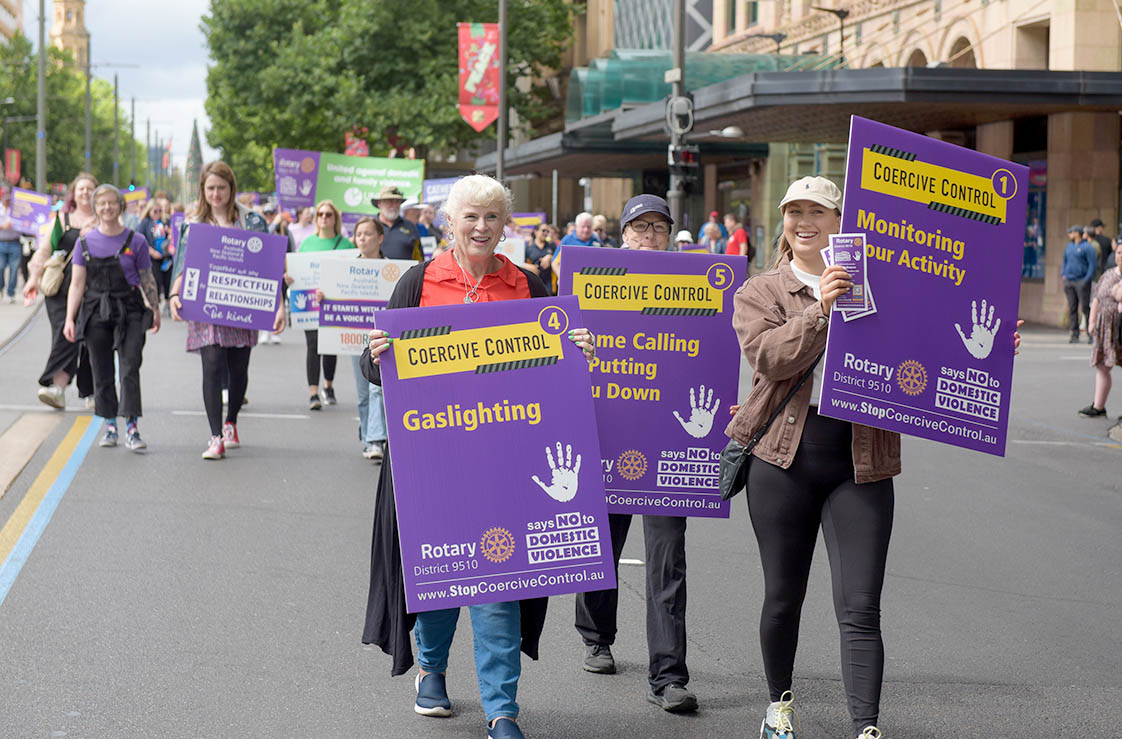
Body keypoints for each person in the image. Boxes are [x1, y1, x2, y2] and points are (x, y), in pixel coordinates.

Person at [728, 175, 1023, 739]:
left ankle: (867, 727)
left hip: (862, 463)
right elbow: (767, 359)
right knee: (782, 597)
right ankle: (778, 707)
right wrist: (821, 309)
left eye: (819, 211)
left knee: (861, 605)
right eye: (795, 212)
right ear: (784, 223)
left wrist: (990, 355)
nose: (805, 221)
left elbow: (937, 338)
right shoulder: (761, 291)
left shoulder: (885, 285)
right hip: (781, 461)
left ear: (843, 220)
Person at [360, 174, 595, 739]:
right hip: (432, 463)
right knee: (440, 576)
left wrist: (578, 355)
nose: (482, 227)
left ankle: (502, 709)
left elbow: (557, 379)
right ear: (450, 222)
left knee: (499, 582)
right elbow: (376, 371)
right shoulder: (419, 282)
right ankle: (432, 672)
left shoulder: (531, 286)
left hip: (508, 463)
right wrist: (377, 356)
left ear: (504, 224)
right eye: (471, 216)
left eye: (492, 217)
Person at [572, 193, 699, 715]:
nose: (648, 236)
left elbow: (706, 357)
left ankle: (668, 676)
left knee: (667, 557)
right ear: (621, 233)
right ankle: (597, 635)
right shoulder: (593, 281)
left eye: (658, 227)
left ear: (669, 234)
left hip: (666, 443)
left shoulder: (691, 287)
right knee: (603, 541)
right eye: (639, 227)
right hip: (609, 433)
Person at [169, 161, 286, 460]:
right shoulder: (193, 224)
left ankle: (231, 421)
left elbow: (271, 269)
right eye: (210, 188)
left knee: (238, 368)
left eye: (221, 187)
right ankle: (215, 436)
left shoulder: (253, 222)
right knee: (211, 365)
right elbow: (182, 263)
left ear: (231, 188)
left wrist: (279, 306)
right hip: (206, 307)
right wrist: (173, 295)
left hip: (243, 307)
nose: (216, 194)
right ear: (202, 191)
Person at [63, 184, 160, 451]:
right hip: (95, 310)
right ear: (95, 208)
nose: (107, 208)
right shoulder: (84, 243)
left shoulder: (137, 241)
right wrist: (70, 318)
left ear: (121, 206)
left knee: (130, 367)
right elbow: (77, 284)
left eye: (112, 203)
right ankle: (110, 425)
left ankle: (132, 427)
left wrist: (155, 307)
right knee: (101, 368)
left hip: (129, 309)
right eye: (102, 203)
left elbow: (146, 278)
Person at [24, 172, 97, 409]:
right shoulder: (62, 220)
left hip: (93, 288)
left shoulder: (103, 219)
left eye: (90, 189)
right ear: (73, 194)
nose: (85, 193)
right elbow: (45, 250)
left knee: (90, 338)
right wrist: (33, 278)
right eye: (81, 189)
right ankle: (57, 387)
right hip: (60, 289)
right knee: (65, 333)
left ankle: (90, 390)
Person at [289, 199, 353, 410]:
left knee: (330, 346)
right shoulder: (307, 243)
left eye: (328, 214)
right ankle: (313, 393)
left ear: (335, 218)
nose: (324, 217)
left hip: (334, 303)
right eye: (320, 214)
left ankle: (329, 386)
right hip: (309, 304)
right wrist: (290, 278)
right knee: (313, 345)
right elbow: (299, 271)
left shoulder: (346, 245)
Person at [348, 217, 388, 459]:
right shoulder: (344, 270)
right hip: (353, 336)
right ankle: (367, 437)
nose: (362, 238)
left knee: (377, 390)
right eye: (358, 234)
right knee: (363, 392)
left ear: (380, 238)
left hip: (379, 338)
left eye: (368, 234)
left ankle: (375, 439)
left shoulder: (392, 268)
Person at [1079, 239, 1122, 418]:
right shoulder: (1108, 274)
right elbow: (1097, 298)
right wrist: (1091, 322)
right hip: (1105, 329)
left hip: (1120, 328)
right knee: (1103, 366)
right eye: (1119, 253)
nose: (1121, 256)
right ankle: (1098, 406)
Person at [1062, 224, 1097, 344]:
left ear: (1077, 233)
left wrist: (1086, 280)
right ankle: (1074, 334)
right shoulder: (1069, 246)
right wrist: (1064, 275)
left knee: (1085, 307)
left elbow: (1093, 265)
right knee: (1072, 308)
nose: (1069, 234)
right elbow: (1064, 261)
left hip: (1082, 281)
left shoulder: (1087, 247)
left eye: (1071, 232)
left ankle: (1090, 333)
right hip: (1069, 281)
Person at [138, 199, 174, 311]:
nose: (157, 213)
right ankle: (156, 302)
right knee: (156, 279)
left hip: (166, 257)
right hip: (152, 257)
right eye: (155, 211)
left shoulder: (165, 221)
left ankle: (168, 301)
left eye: (159, 211)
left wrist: (170, 235)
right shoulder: (145, 223)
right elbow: (140, 240)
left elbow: (174, 235)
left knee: (168, 279)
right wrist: (152, 252)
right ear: (149, 211)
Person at [373, 185, 422, 262]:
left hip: (406, 273)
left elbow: (419, 257)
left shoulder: (410, 226)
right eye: (389, 201)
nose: (394, 205)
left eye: (397, 201)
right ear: (379, 203)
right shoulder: (371, 226)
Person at [0, 187, 23, 303]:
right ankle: (0, 288)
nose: (8, 201)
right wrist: (3, 226)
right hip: (1, 242)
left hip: (14, 242)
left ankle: (11, 292)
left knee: (14, 269)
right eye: (6, 199)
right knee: (1, 267)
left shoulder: (18, 209)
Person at [524, 224, 556, 294]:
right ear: (536, 232)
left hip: (548, 284)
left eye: (547, 231)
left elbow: (558, 259)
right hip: (532, 283)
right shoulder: (528, 247)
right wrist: (529, 267)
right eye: (543, 230)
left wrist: (549, 257)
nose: (546, 233)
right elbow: (519, 263)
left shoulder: (551, 245)